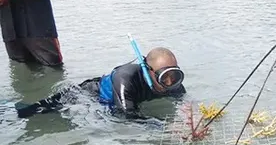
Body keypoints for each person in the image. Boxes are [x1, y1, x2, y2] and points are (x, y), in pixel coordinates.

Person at [15, 47, 186, 119]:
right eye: (164, 77)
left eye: (174, 75)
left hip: (111, 102)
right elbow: (126, 116)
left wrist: (189, 116)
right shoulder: (125, 77)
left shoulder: (172, 82)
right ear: (148, 71)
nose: (170, 82)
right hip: (87, 96)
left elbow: (184, 100)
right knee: (36, 111)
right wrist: (161, 127)